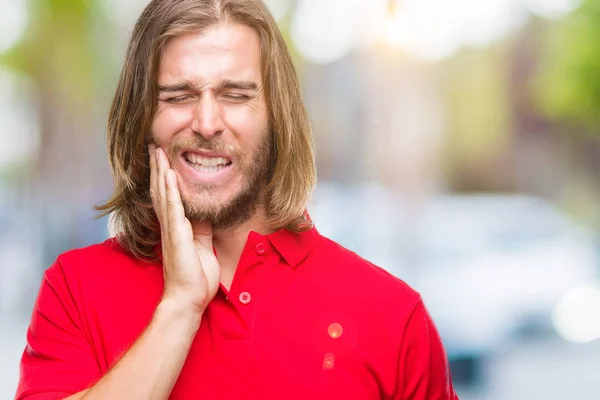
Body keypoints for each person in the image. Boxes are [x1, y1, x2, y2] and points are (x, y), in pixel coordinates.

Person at [16, 0, 458, 399]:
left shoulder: (393, 316)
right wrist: (181, 307)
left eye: (235, 95)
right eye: (179, 95)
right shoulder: (73, 290)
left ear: (276, 117)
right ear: (142, 117)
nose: (207, 122)